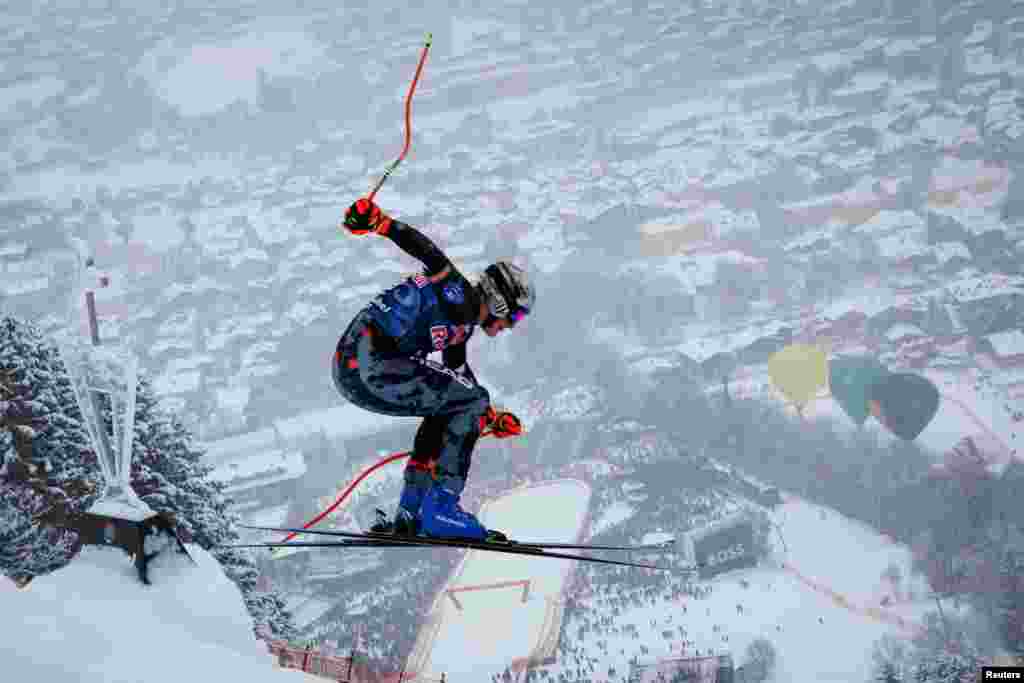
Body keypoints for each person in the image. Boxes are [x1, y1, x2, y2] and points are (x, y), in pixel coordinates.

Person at [333, 198, 532, 541]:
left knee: (450, 407)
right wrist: (381, 223)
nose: (509, 326)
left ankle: (409, 513)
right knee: (469, 401)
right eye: (513, 316)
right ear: (499, 302)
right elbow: (429, 252)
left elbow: (456, 375)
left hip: (356, 369)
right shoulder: (461, 297)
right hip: (371, 363)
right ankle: (441, 508)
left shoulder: (463, 325)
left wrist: (488, 416)